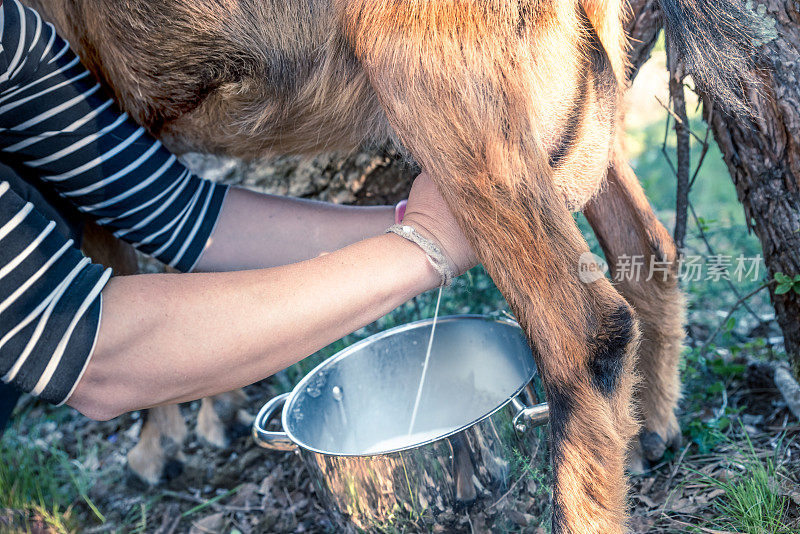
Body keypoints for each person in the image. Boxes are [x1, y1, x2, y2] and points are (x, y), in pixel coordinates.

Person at [0, 0, 477, 432]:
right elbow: (91, 352)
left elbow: (175, 212)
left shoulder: (9, 35)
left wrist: (420, 223)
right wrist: (422, 251)